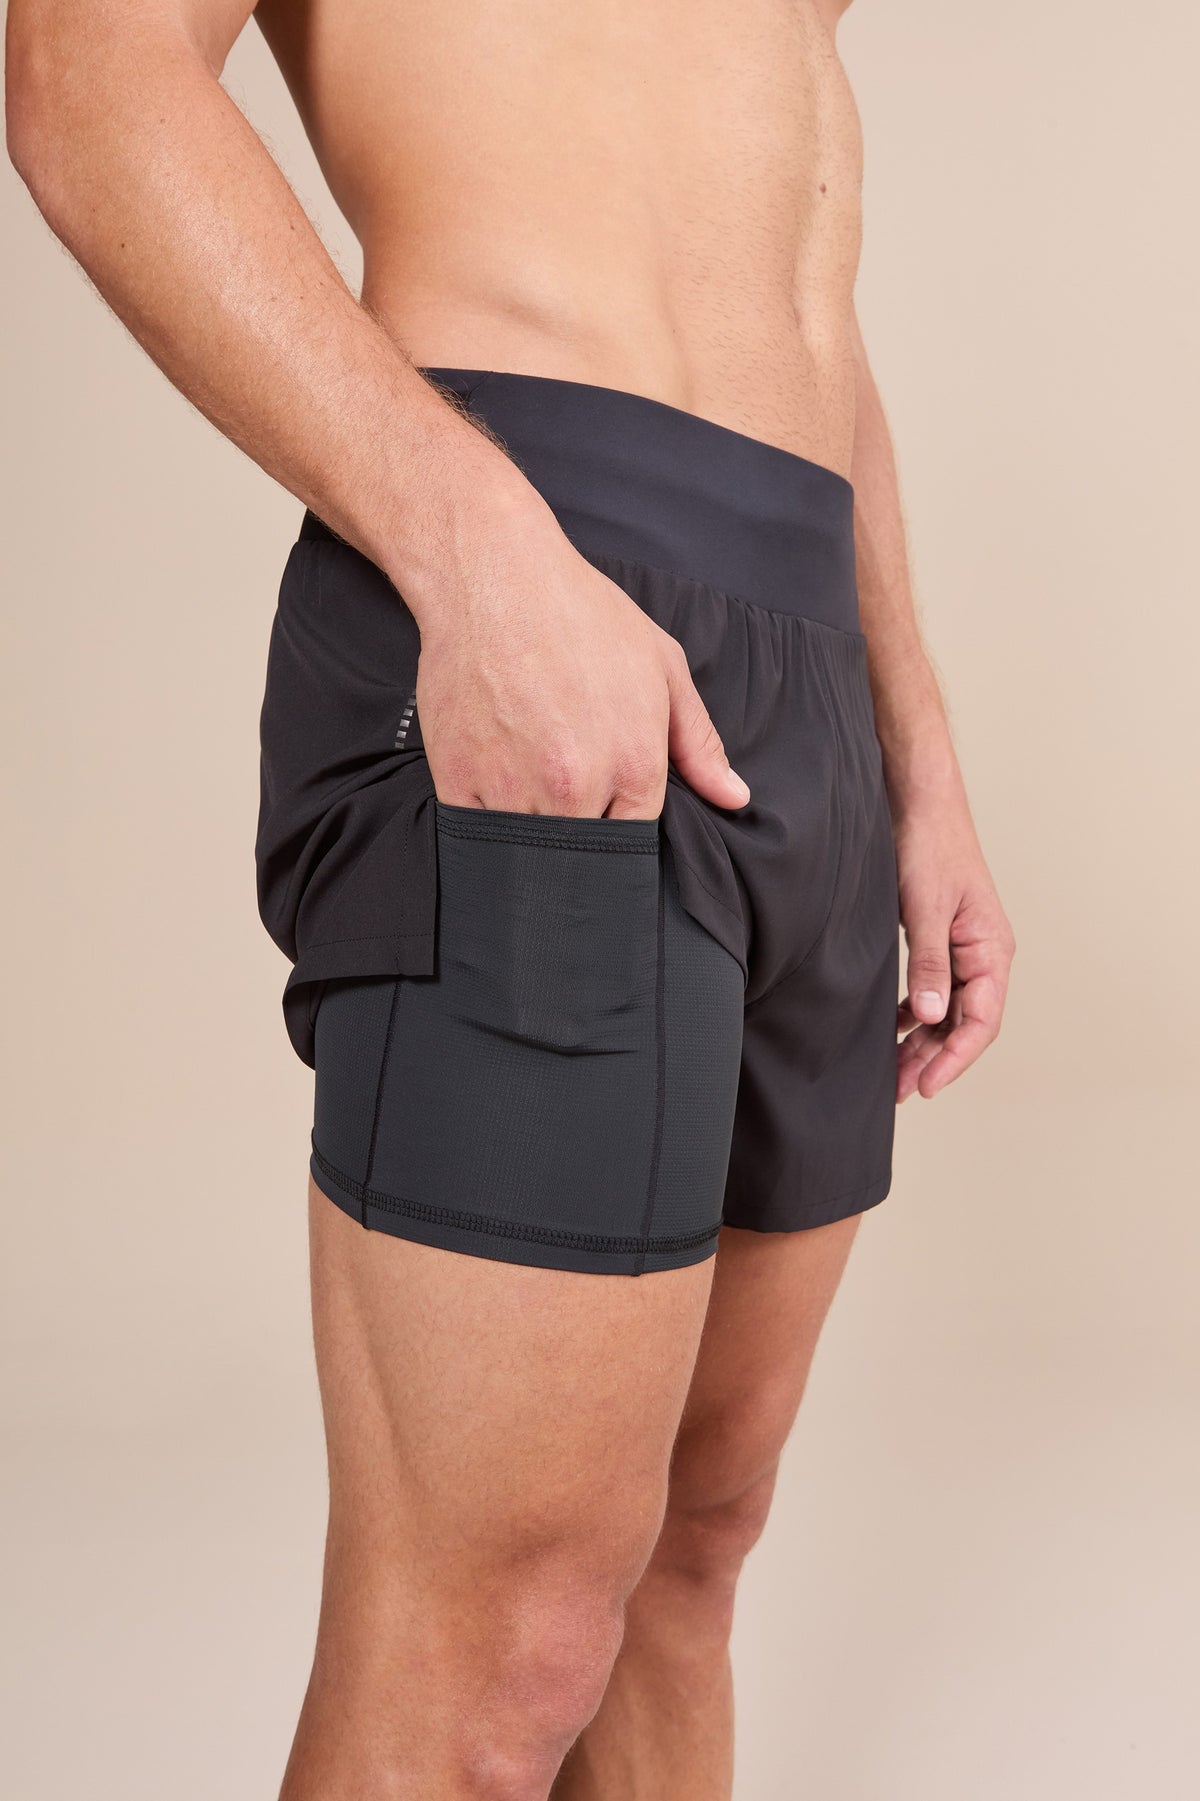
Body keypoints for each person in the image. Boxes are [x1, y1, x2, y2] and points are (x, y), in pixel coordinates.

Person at [7, 0, 1015, 1793]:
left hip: (805, 656)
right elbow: (86, 80)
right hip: (536, 567)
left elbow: (782, 256)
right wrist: (474, 550)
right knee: (494, 1643)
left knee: (690, 1558)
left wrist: (912, 740)